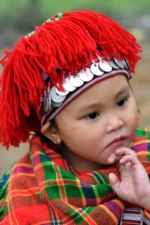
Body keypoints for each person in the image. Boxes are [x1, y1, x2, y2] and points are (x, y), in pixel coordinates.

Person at [0, 10, 150, 225]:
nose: (117, 123)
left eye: (121, 102)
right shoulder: (25, 196)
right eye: (93, 115)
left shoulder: (146, 155)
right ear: (53, 131)